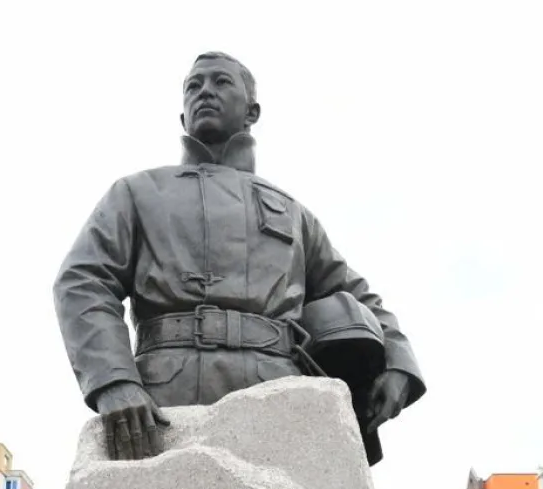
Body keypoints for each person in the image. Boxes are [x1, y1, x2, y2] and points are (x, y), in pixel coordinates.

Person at [52, 50, 427, 466]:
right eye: (193, 87)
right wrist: (113, 381)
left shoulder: (292, 212)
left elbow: (358, 297)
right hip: (165, 392)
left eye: (220, 82)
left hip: (277, 391)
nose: (204, 92)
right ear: (182, 117)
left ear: (252, 111)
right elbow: (82, 281)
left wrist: (398, 364)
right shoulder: (137, 193)